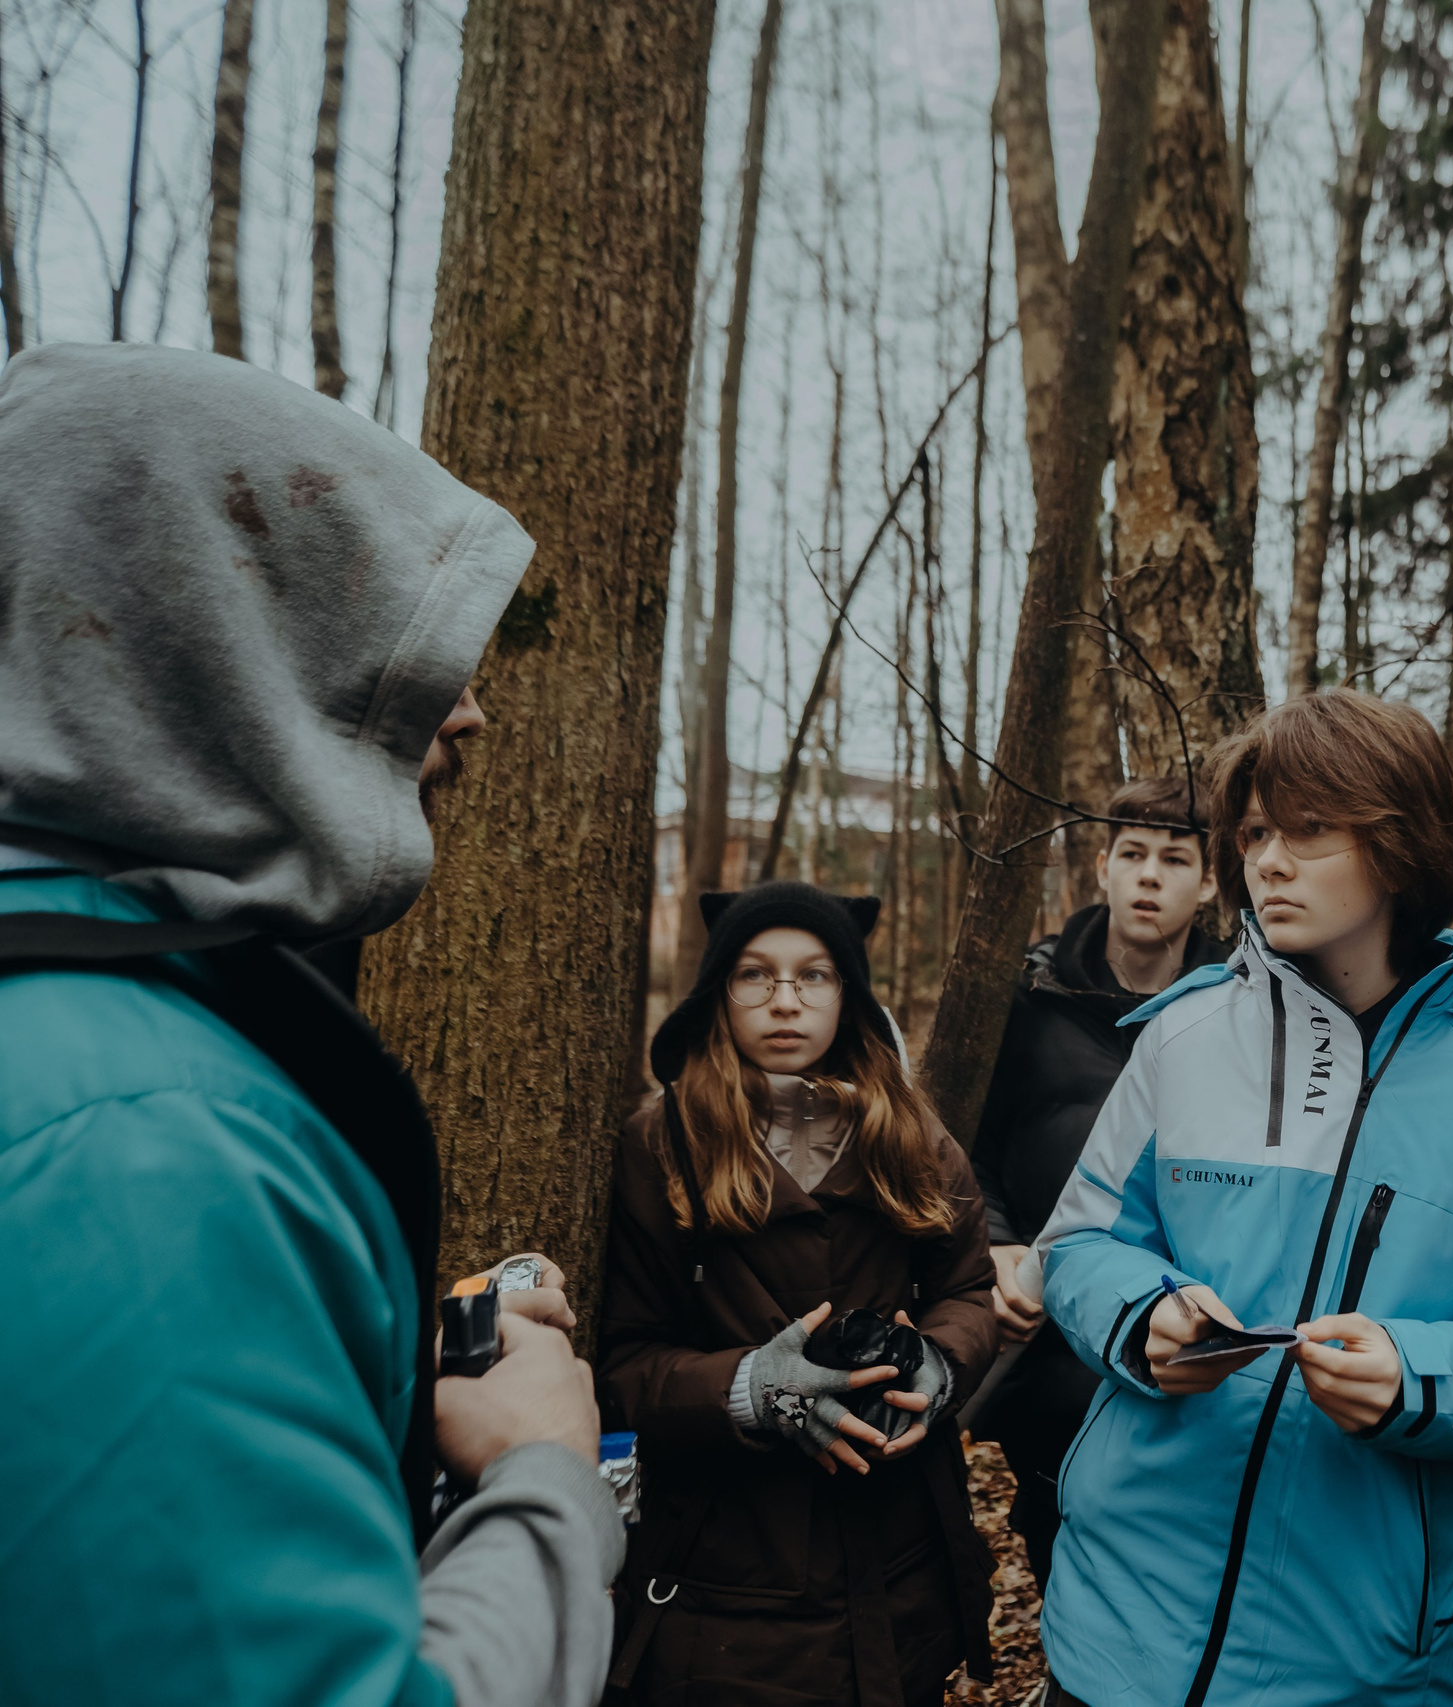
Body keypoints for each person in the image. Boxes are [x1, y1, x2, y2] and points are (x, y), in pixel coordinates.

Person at [0, 342, 623, 1705]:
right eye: (377, 645)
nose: (466, 707)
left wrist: (364, 1340)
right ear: (193, 643)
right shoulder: (144, 1150)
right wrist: (543, 1476)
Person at [1028, 689, 1453, 1707]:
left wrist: (1417, 1375)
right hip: (1113, 1631)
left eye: (1308, 830)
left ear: (1400, 843)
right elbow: (1077, 1242)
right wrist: (1143, 1311)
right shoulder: (1184, 1036)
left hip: (1370, 1659)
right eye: (1255, 831)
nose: (1266, 860)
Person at [598, 880, 1000, 1706]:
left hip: (899, 1563)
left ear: (847, 994)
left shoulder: (911, 1134)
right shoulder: (660, 1144)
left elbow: (967, 1289)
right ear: (719, 992)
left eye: (814, 975)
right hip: (726, 1579)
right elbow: (624, 1358)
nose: (786, 999)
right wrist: (751, 1387)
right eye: (756, 974)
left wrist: (937, 1362)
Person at [970, 775, 1227, 1589]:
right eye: (1134, 853)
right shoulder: (1028, 993)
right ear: (1103, 869)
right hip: (1047, 1340)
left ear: (1210, 881)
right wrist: (998, 1244)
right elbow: (967, 1146)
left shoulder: (1240, 1007)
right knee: (1062, 1533)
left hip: (1187, 1333)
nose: (1151, 875)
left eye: (1176, 859)